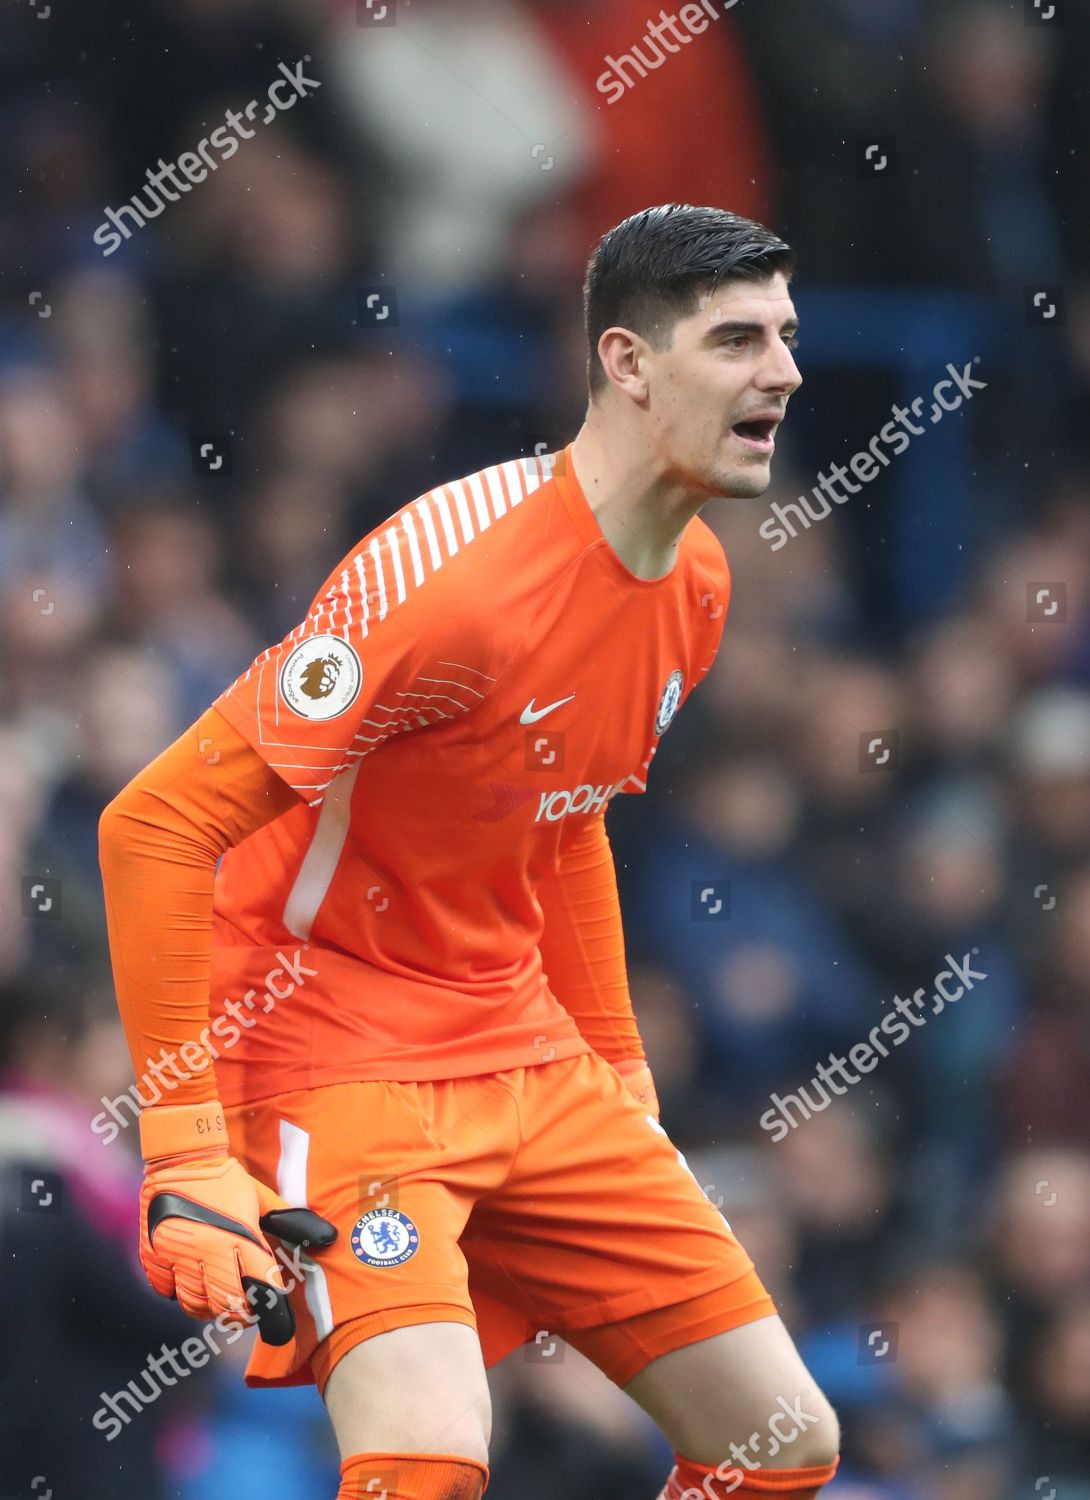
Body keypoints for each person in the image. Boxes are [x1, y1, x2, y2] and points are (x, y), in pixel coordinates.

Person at [99, 203, 840, 1500]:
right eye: (735, 340)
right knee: (429, 1461)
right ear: (625, 363)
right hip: (333, 1044)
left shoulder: (698, 585)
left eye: (784, 336)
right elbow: (153, 825)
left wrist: (614, 1066)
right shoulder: (445, 579)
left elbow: (559, 819)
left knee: (779, 1446)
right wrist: (183, 1146)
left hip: (521, 1042)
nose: (781, 371)